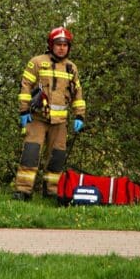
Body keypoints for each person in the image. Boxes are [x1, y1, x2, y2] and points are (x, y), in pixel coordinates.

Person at [13, 27, 86, 200]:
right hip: (37, 118)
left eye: (65, 45)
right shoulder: (37, 62)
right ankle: (23, 191)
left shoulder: (71, 68)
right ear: (51, 45)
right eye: (58, 44)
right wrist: (23, 110)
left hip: (60, 122)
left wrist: (80, 115)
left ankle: (52, 191)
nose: (61, 48)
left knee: (57, 157)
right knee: (30, 154)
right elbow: (25, 87)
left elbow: (78, 94)